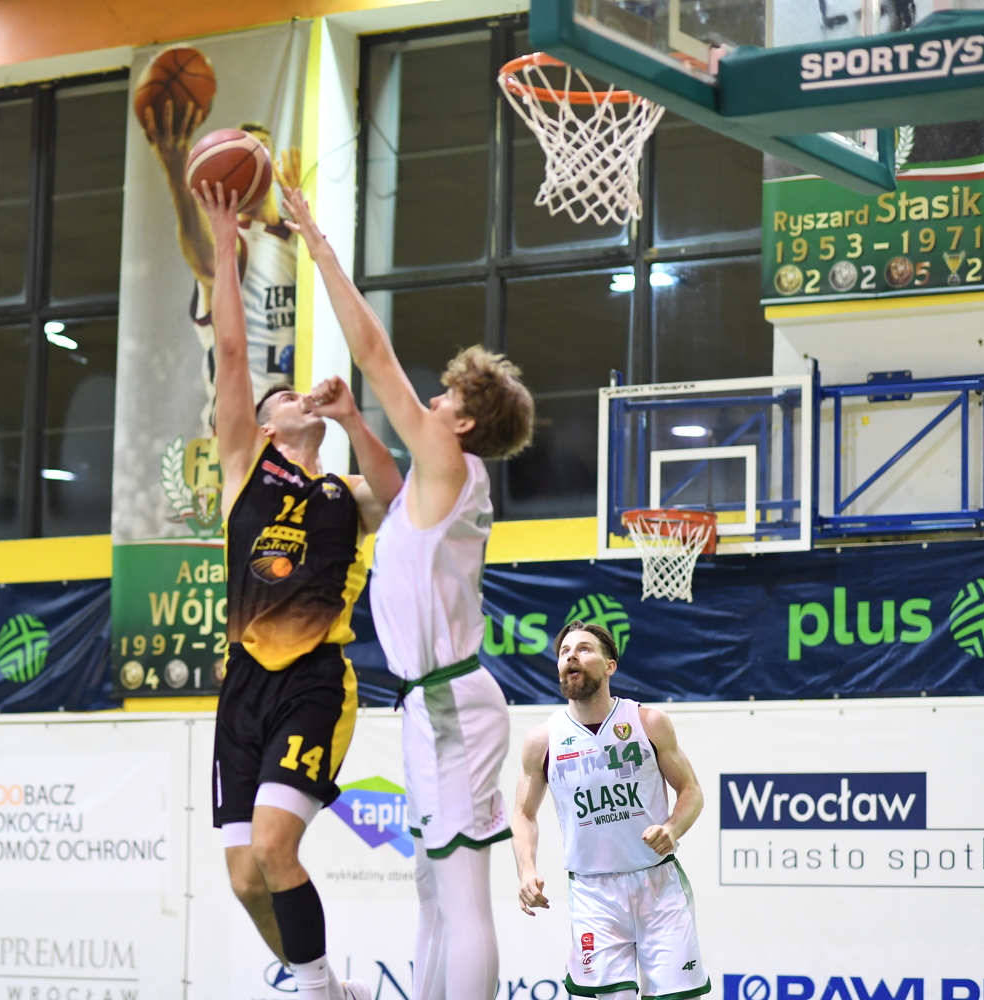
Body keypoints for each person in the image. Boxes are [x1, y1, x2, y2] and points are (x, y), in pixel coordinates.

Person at [283, 186, 535, 1000]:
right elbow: (390, 498)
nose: (432, 399)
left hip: (452, 702)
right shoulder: (441, 481)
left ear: (463, 424)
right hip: (434, 704)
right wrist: (354, 423)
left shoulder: (451, 460)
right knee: (433, 890)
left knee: (461, 899)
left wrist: (319, 246)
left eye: (448, 396)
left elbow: (374, 351)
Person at [192, 179, 400, 1000]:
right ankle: (328, 985)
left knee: (276, 850)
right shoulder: (246, 466)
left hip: (314, 679)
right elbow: (232, 353)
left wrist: (352, 419)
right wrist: (225, 243)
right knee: (246, 878)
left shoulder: (347, 493)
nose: (295, 394)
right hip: (244, 683)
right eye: (283, 397)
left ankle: (315, 991)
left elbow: (399, 494)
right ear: (264, 425)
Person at [511, 622, 710, 1000]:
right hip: (594, 893)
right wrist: (527, 870)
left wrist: (672, 828)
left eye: (584, 649)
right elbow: (523, 815)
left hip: (657, 885)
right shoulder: (542, 740)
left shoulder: (647, 722)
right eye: (564, 652)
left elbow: (691, 790)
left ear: (610, 666)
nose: (572, 656)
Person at [142, 91, 302, 433]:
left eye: (261, 150)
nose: (253, 158)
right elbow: (205, 261)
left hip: (293, 427)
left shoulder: (298, 240)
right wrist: (177, 174)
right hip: (240, 430)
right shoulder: (233, 240)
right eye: (244, 152)